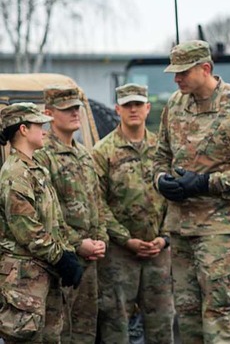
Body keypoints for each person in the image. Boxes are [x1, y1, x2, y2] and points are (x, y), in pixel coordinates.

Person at [153, 40, 230, 344]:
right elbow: (160, 156)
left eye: (183, 72)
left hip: (218, 226)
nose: (176, 79)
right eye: (174, 73)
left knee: (217, 312)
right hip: (179, 226)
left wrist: (206, 183)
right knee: (187, 313)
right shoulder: (175, 106)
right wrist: (161, 180)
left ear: (205, 68)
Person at [92, 84, 174, 343]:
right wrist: (125, 239)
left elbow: (175, 196)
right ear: (118, 109)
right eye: (127, 105)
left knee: (161, 324)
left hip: (157, 253)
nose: (133, 109)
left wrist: (164, 237)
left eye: (138, 104)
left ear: (148, 108)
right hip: (119, 255)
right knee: (116, 325)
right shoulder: (102, 152)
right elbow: (97, 203)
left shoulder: (163, 149)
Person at [0, 103, 83, 343]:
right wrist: (62, 257)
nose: (45, 130)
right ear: (23, 129)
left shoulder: (35, 169)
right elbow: (28, 230)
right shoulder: (16, 174)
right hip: (25, 279)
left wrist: (67, 252)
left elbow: (53, 221)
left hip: (44, 272)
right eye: (39, 125)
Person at [34, 85, 109, 343]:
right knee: (61, 332)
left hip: (91, 259)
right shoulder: (43, 156)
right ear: (49, 113)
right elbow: (45, 214)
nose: (75, 113)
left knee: (86, 330)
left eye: (76, 108)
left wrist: (100, 240)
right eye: (67, 109)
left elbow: (96, 202)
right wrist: (79, 244)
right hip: (64, 259)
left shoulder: (84, 155)